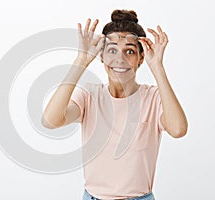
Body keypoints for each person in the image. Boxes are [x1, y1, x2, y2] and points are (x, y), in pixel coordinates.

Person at [41, 9, 188, 200]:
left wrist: (157, 67)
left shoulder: (153, 98)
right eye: (112, 50)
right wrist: (81, 61)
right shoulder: (89, 95)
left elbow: (178, 129)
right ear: (102, 56)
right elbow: (50, 121)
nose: (120, 59)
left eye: (129, 51)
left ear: (141, 58)